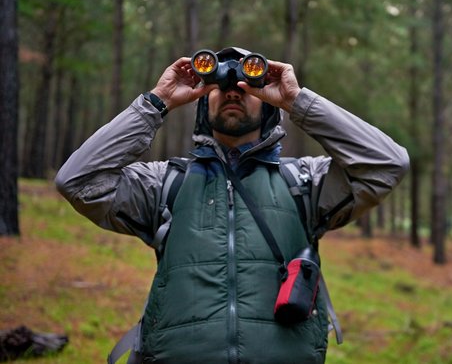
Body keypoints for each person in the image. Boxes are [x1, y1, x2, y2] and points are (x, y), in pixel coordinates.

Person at [55, 46, 409, 364]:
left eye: (245, 86)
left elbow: (388, 164)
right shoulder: (166, 184)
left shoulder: (303, 183)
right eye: (219, 87)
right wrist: (156, 102)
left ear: (268, 105)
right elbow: (78, 181)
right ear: (201, 103)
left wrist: (297, 101)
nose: (232, 91)